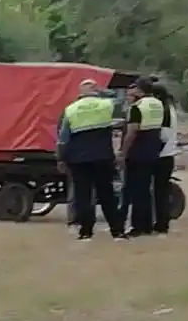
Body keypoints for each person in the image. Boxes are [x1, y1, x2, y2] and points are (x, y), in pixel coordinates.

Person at [56, 80, 126, 241]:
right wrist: (102, 91)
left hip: (79, 159)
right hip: (103, 156)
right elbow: (120, 99)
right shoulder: (106, 105)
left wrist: (61, 158)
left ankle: (86, 232)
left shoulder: (71, 109)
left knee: (83, 196)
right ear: (95, 91)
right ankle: (117, 231)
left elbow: (63, 139)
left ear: (80, 93)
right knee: (107, 194)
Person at [118, 77, 164, 237]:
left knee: (136, 190)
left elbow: (132, 132)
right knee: (146, 189)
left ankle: (137, 227)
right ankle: (147, 225)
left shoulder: (137, 107)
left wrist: (123, 153)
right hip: (153, 149)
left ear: (139, 90)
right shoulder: (158, 104)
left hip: (138, 152)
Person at [152, 81, 178, 235]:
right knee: (161, 191)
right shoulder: (169, 108)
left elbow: (164, 136)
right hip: (168, 155)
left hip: (163, 155)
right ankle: (161, 222)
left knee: (160, 192)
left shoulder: (165, 111)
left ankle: (162, 224)